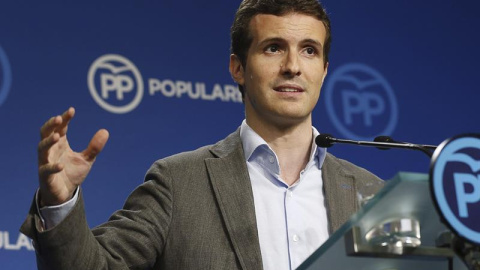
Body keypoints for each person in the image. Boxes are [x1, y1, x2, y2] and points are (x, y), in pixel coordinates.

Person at [21, 0, 383, 269]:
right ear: (237, 68)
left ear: (323, 70)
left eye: (309, 50)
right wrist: (60, 201)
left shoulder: (372, 195)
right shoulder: (178, 183)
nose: (292, 66)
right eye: (273, 47)